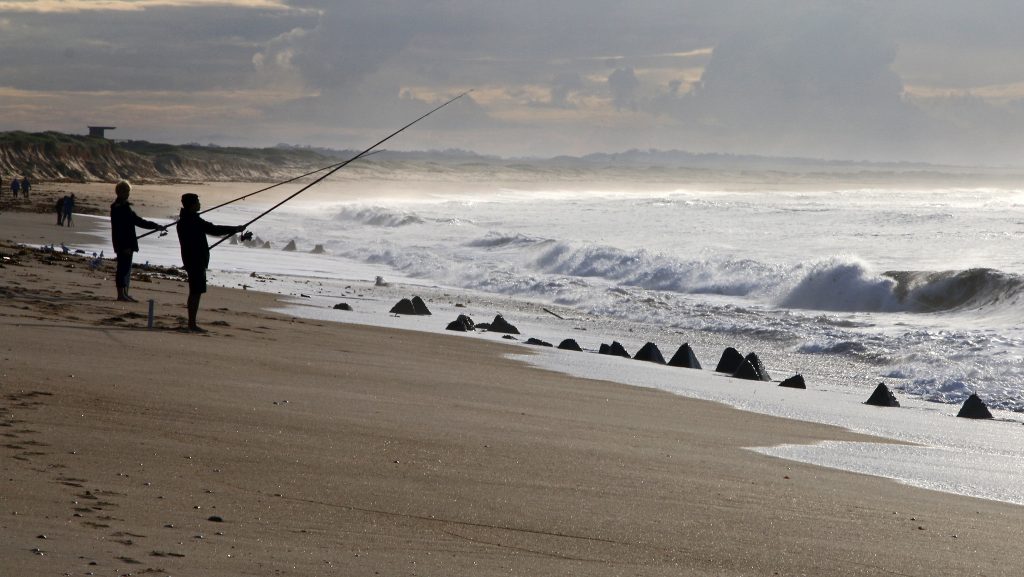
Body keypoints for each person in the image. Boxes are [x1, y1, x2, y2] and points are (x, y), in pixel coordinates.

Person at [176, 193, 245, 332]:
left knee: (195, 291)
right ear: (192, 205)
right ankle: (192, 324)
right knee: (195, 292)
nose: (200, 204)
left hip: (191, 259)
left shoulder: (185, 220)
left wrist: (234, 230)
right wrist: (235, 229)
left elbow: (211, 229)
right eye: (197, 202)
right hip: (196, 260)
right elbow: (214, 229)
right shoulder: (193, 221)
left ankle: (191, 322)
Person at [111, 181, 165, 302]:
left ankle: (124, 293)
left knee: (125, 269)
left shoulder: (124, 207)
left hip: (126, 243)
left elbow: (138, 221)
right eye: (126, 192)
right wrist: (125, 246)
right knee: (123, 269)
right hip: (124, 244)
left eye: (128, 192)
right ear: (120, 192)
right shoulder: (119, 208)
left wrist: (156, 226)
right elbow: (120, 229)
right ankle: (121, 295)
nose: (128, 194)